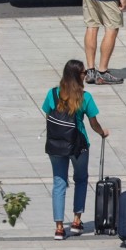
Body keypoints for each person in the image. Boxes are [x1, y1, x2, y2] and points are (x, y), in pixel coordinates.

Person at [42, 60, 107, 239]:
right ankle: (77, 221)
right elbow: (94, 123)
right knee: (81, 179)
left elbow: (48, 116)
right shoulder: (85, 97)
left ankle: (59, 226)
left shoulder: (53, 94)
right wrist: (103, 133)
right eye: (84, 72)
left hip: (56, 144)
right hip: (78, 145)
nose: (86, 75)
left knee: (59, 183)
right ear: (77, 75)